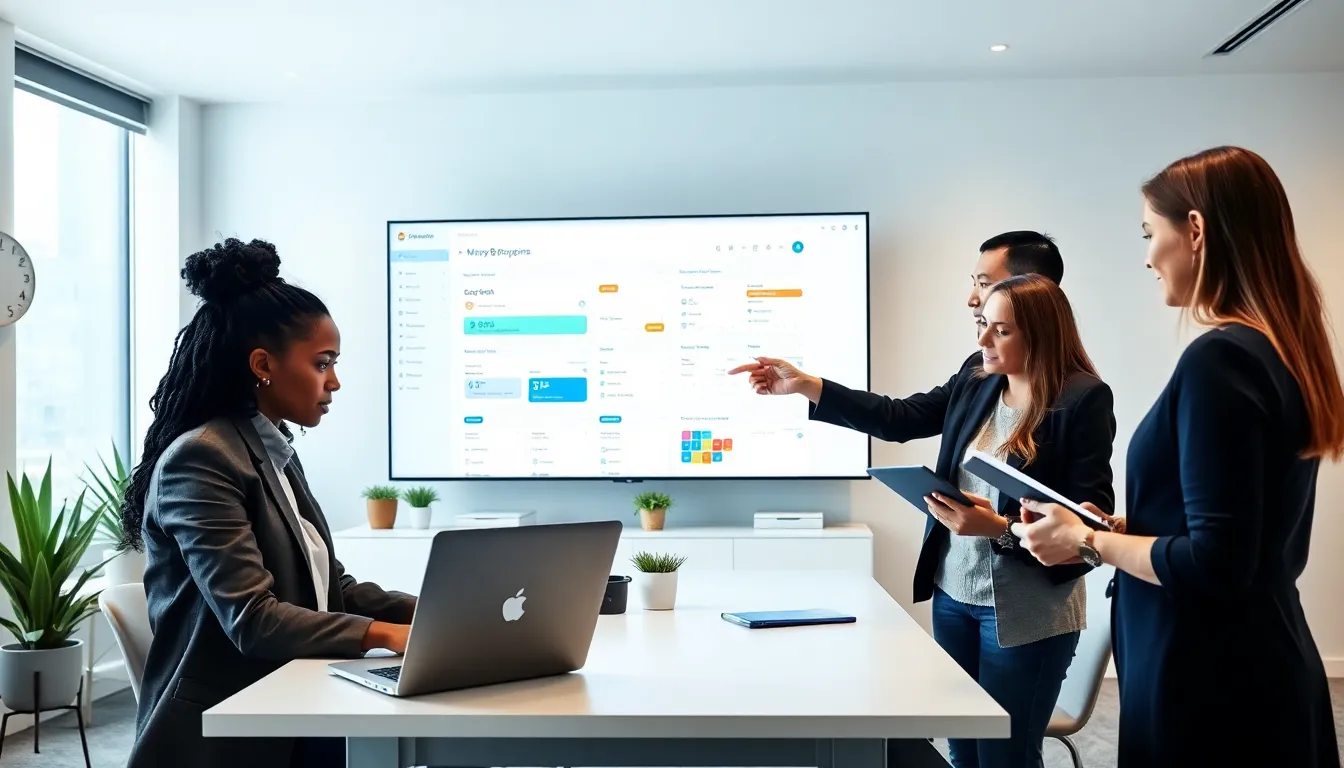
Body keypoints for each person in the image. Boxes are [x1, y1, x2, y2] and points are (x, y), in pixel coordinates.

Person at [1011, 146, 1343, 767]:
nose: (1146, 257)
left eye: (1149, 233)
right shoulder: (1280, 351)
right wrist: (1119, 529)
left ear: (1194, 231)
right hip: (1256, 661)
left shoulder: (1220, 360)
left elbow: (1216, 563)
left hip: (1211, 680)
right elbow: (1234, 530)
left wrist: (1088, 540)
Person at [730, 274, 1116, 768]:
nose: (982, 341)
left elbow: (1087, 531)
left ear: (1040, 334)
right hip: (953, 596)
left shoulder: (1082, 399)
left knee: (1004, 758)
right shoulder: (978, 378)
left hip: (1026, 615)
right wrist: (806, 385)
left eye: (1000, 331)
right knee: (960, 749)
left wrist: (999, 528)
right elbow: (899, 417)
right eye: (983, 326)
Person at [124, 238, 418, 768]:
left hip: (297, 697)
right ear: (264, 364)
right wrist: (385, 635)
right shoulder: (202, 460)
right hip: (232, 728)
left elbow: (330, 589)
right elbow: (253, 619)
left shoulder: (272, 449)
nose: (334, 381)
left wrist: (431, 612)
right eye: (322, 363)